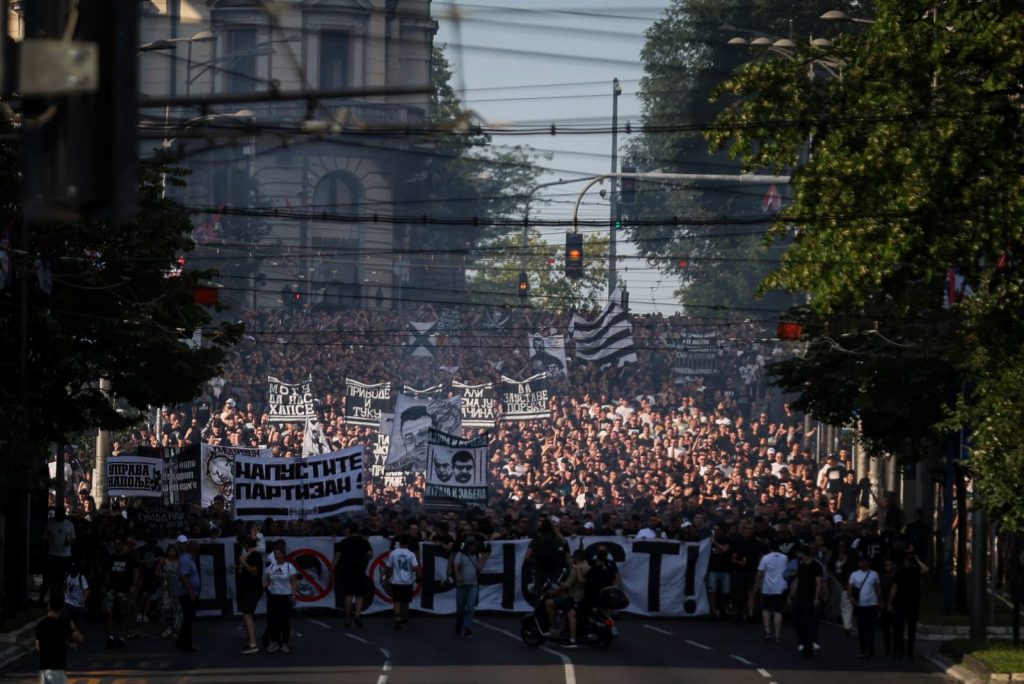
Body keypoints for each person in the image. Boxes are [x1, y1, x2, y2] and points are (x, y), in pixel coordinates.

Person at [543, 549, 589, 647]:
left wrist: (555, 592)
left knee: (549, 603)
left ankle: (555, 628)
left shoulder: (576, 568)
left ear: (576, 558)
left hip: (575, 598)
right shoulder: (589, 567)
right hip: (585, 598)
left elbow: (567, 585)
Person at [332, 522, 373, 628]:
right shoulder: (364, 542)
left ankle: (347, 619)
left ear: (349, 530)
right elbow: (370, 554)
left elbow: (337, 556)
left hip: (347, 570)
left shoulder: (344, 542)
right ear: (358, 531)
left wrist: (332, 569)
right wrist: (366, 561)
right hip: (360, 569)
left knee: (348, 595)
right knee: (360, 595)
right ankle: (357, 615)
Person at [36, 595, 84, 684]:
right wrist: (72, 627)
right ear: (62, 608)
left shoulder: (40, 625)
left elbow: (38, 646)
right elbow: (80, 638)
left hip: (43, 669)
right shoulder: (63, 623)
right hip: (57, 668)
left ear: (48, 606)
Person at [893, 544, 928, 658]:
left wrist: (917, 560)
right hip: (901, 603)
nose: (909, 561)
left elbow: (926, 569)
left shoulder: (914, 571)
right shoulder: (900, 571)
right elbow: (895, 587)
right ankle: (902, 650)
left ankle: (909, 651)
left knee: (911, 630)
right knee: (900, 629)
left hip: (912, 603)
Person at [103, 536, 138, 650]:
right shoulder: (112, 557)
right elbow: (108, 573)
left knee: (124, 613)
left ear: (123, 545)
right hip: (112, 589)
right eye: (115, 544)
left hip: (124, 589)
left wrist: (133, 585)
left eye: (118, 543)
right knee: (109, 611)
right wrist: (104, 587)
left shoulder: (130, 558)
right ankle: (110, 636)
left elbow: (136, 572)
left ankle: (122, 637)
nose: (116, 546)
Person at [263, 542, 299, 653]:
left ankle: (285, 644)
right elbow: (267, 581)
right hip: (274, 597)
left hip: (285, 597)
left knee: (284, 621)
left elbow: (293, 582)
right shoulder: (271, 567)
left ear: (283, 554)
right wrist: (265, 588)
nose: (277, 555)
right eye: (275, 553)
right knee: (273, 621)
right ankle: (275, 642)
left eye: (279, 553)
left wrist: (293, 594)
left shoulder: (289, 566)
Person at [789, 545, 825, 657]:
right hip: (800, 595)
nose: (797, 555)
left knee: (809, 621)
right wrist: (792, 594)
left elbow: (819, 582)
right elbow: (798, 579)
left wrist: (816, 597)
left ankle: (808, 646)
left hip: (810, 596)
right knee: (796, 620)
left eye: (798, 553)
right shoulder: (801, 565)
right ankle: (805, 640)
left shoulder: (816, 565)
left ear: (803, 553)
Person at [453, 537, 487, 638]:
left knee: (471, 607)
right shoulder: (460, 555)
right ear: (469, 546)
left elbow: (479, 569)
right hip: (462, 585)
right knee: (460, 609)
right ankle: (459, 625)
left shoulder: (476, 556)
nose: (475, 547)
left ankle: (468, 628)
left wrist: (485, 558)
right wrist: (458, 575)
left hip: (473, 585)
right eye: (474, 545)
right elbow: (455, 566)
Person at [848, 555, 881, 659]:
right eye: (859, 562)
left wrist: (879, 602)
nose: (860, 564)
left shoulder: (874, 574)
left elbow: (877, 588)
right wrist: (851, 598)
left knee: (870, 628)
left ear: (867, 563)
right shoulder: (854, 574)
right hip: (859, 605)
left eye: (862, 562)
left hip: (871, 605)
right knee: (861, 629)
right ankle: (863, 649)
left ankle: (870, 649)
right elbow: (850, 588)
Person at [755, 539, 789, 641]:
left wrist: (756, 586)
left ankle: (768, 631)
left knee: (766, 610)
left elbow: (760, 574)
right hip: (780, 587)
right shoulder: (784, 557)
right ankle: (777, 634)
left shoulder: (765, 558)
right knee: (778, 611)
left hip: (767, 588)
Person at [41, 508, 75, 604]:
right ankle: (44, 598)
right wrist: (44, 551)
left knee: (62, 579)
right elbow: (45, 538)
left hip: (65, 556)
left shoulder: (69, 524)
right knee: (48, 579)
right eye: (58, 513)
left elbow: (73, 537)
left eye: (61, 513)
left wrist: (69, 542)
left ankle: (60, 598)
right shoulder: (50, 523)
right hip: (52, 554)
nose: (60, 515)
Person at [236, 535, 264, 654]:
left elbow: (254, 571)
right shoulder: (250, 556)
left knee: (247, 615)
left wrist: (243, 563)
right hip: (247, 589)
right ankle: (250, 641)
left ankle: (253, 643)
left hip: (251, 590)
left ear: (246, 546)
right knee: (246, 615)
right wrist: (239, 566)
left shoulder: (255, 555)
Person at [385, 535, 420, 630]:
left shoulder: (393, 553)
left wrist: (386, 576)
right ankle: (404, 619)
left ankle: (397, 617)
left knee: (397, 601)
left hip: (396, 580)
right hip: (407, 582)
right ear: (407, 544)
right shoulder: (411, 554)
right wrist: (411, 570)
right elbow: (416, 567)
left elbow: (388, 567)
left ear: (399, 543)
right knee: (406, 602)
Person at [175, 537, 200, 653]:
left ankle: (181, 642)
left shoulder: (190, 559)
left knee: (189, 618)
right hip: (186, 593)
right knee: (189, 618)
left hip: (189, 592)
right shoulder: (186, 560)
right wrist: (190, 593)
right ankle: (186, 644)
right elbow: (184, 578)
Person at [155, 544, 183, 640]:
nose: (171, 552)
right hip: (165, 587)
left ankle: (176, 630)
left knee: (177, 609)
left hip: (176, 588)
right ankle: (167, 629)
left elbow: (183, 574)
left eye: (173, 551)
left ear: (176, 552)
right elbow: (156, 572)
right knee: (165, 608)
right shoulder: (163, 560)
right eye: (170, 550)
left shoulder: (179, 562)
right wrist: (164, 575)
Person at [135, 535, 163, 624]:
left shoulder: (159, 550)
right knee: (143, 595)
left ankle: (145, 614)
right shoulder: (140, 550)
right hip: (143, 575)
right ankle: (139, 613)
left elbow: (162, 561)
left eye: (154, 541)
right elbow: (137, 563)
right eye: (151, 541)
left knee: (149, 595)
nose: (153, 543)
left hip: (153, 576)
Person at [60, 561, 90, 643]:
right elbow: (65, 585)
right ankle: (69, 637)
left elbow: (87, 590)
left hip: (78, 605)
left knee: (77, 623)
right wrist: (64, 595)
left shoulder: (81, 577)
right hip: (68, 602)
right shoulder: (67, 575)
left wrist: (83, 600)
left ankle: (75, 638)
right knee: (67, 619)